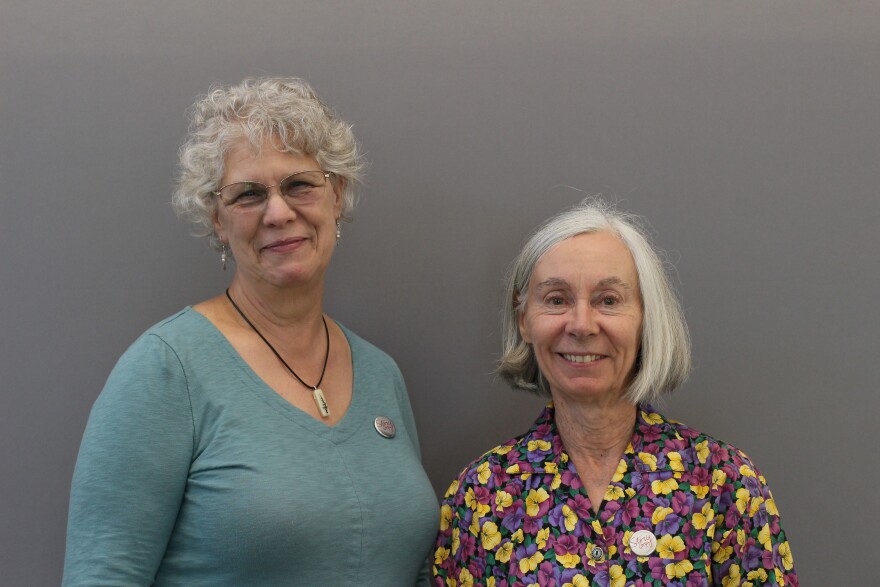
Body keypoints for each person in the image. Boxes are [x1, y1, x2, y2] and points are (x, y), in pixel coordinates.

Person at [63, 77, 438, 586]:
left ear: (337, 196)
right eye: (248, 194)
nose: (278, 213)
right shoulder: (167, 370)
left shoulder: (379, 373)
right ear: (217, 220)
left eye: (300, 184)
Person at [432, 199, 797, 586]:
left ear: (646, 317)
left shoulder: (723, 482)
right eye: (556, 300)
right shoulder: (482, 494)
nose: (582, 325)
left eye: (608, 300)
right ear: (524, 320)